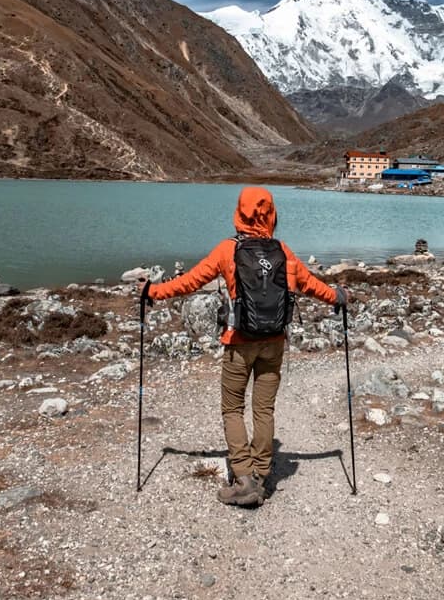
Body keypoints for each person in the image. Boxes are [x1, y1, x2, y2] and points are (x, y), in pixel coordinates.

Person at [137, 186, 349, 506]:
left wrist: (152, 291)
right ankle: (262, 474)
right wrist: (338, 297)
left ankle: (244, 478)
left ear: (240, 212)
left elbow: (190, 282)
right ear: (271, 214)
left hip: (239, 343)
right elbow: (310, 284)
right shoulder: (283, 251)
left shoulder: (227, 250)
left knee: (232, 409)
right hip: (274, 343)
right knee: (264, 409)